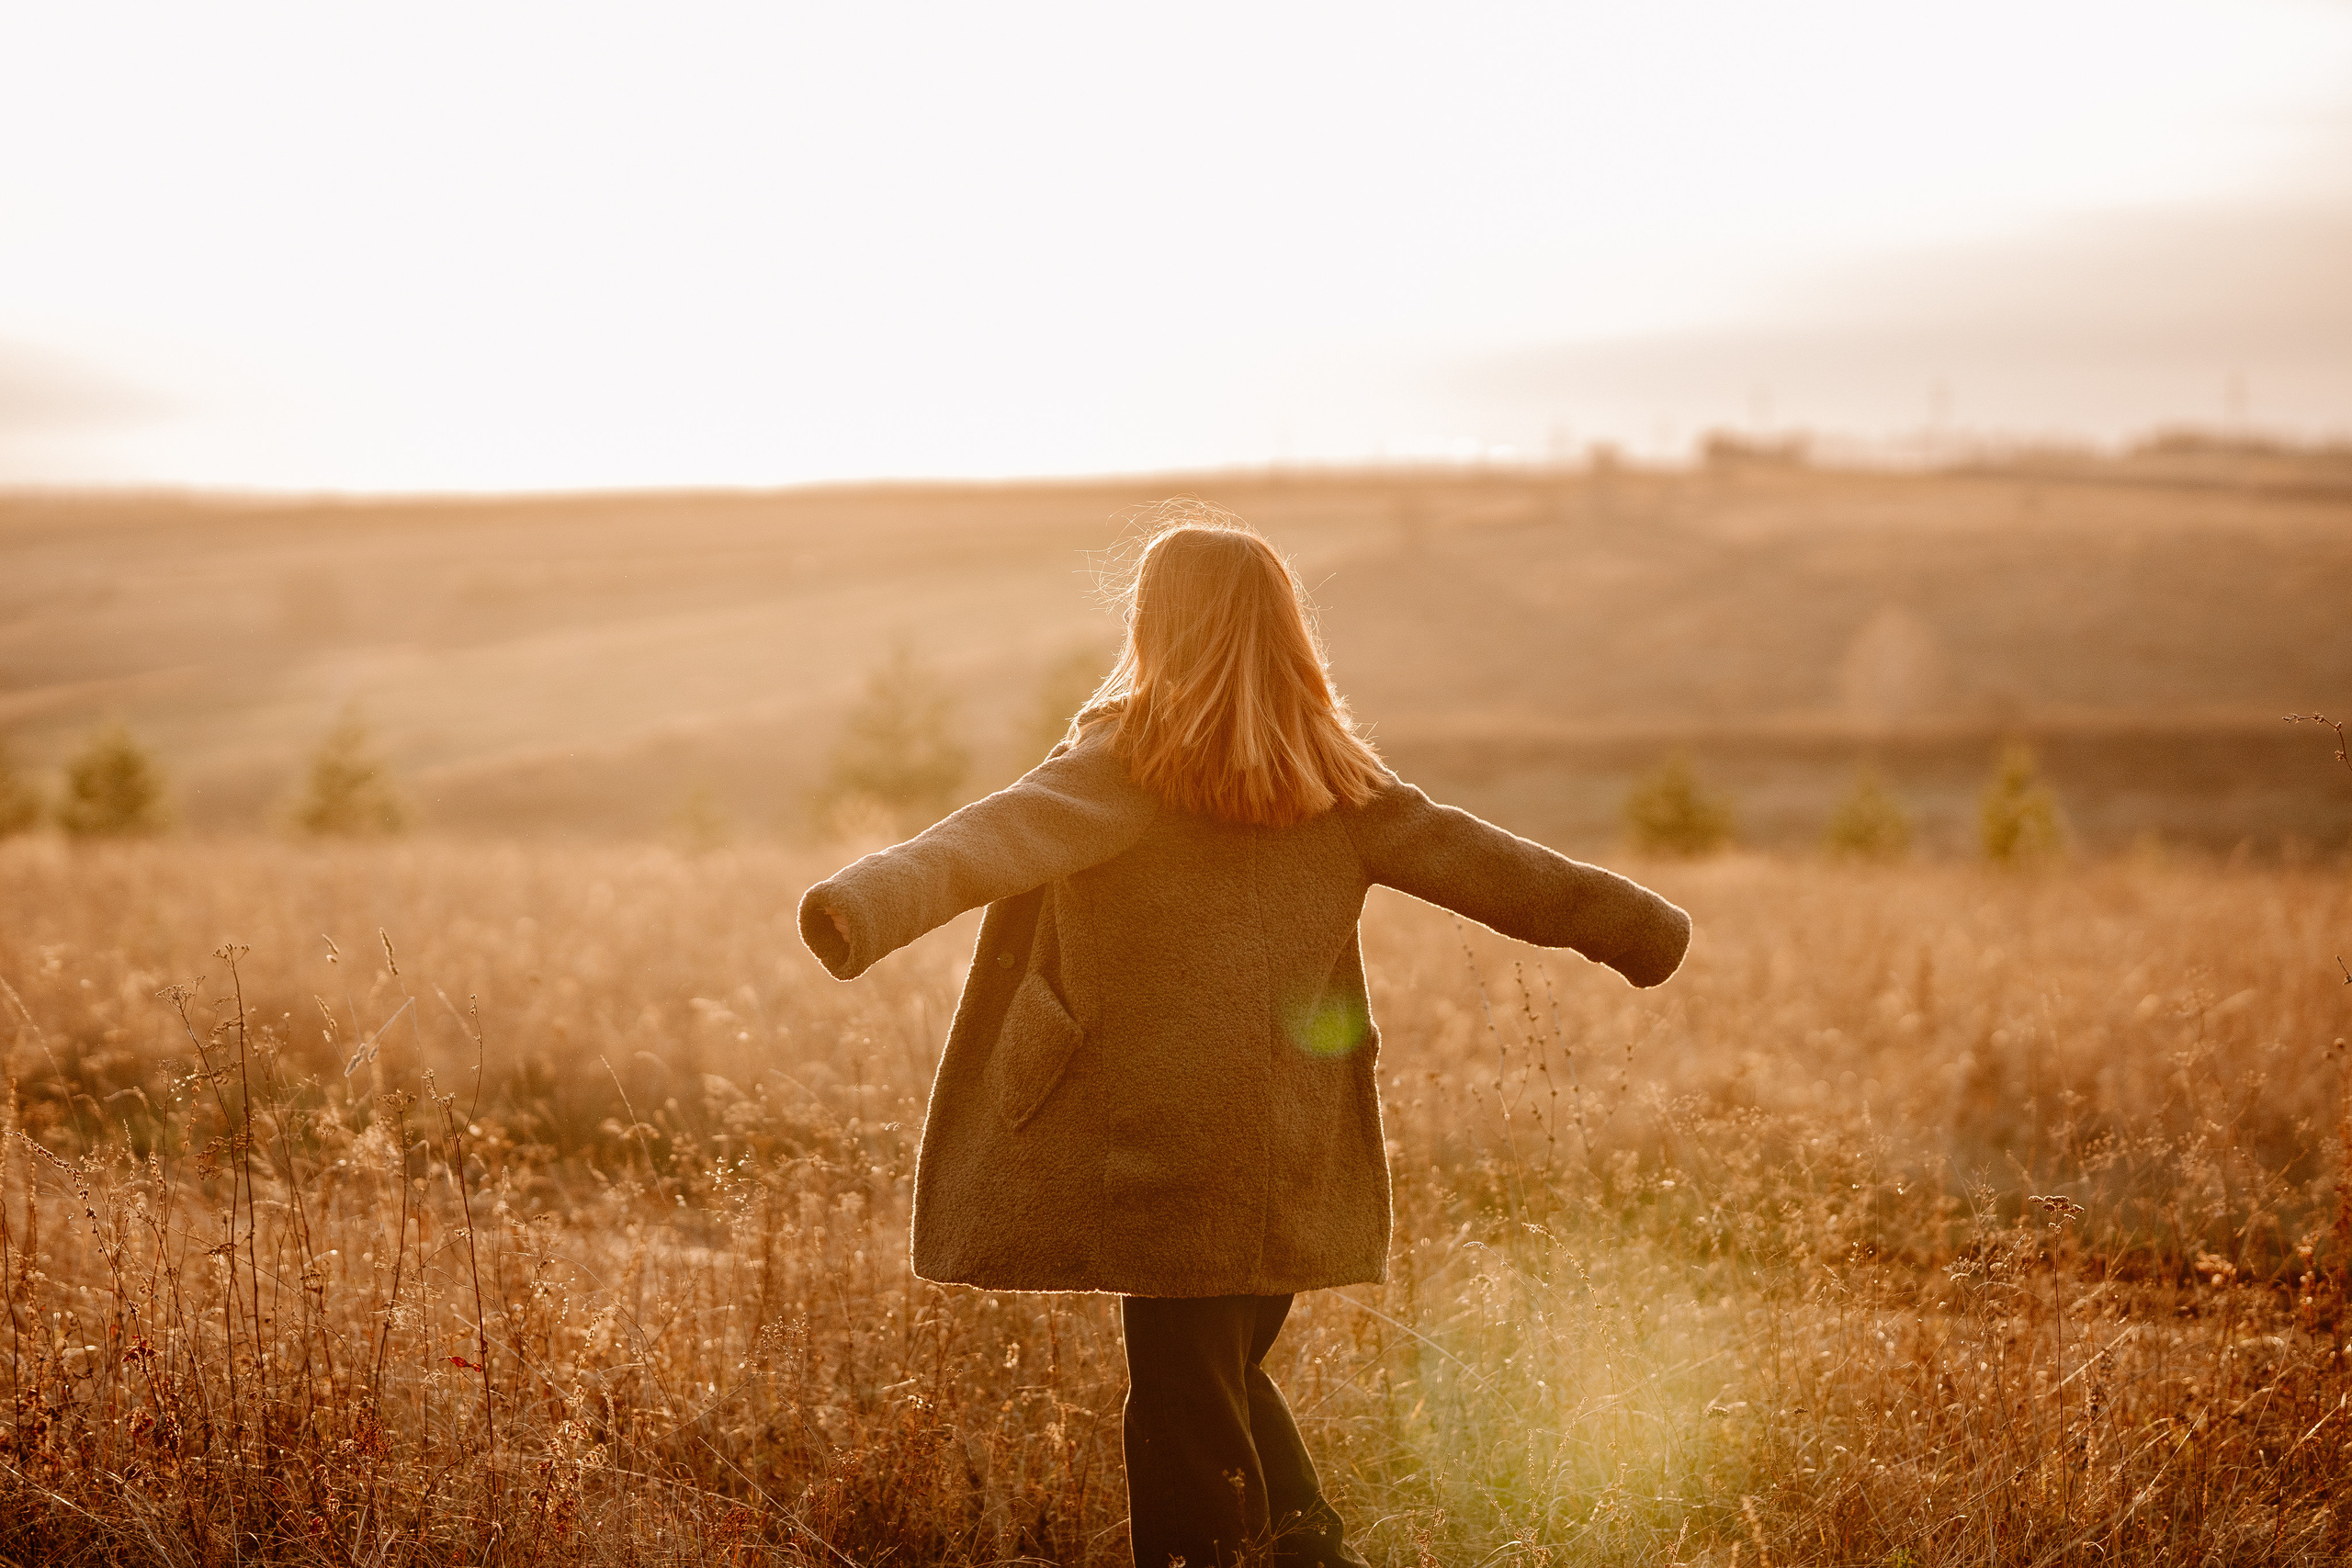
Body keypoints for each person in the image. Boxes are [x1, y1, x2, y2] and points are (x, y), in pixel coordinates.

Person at [798, 512, 1690, 1568]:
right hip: (1288, 1147)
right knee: (1219, 1378)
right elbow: (1496, 867)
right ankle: (1314, 1556)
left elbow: (980, 839)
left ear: (1157, 627)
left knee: (1185, 1403)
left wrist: (855, 905)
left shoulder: (1125, 767)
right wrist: (1637, 928)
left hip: (1159, 1150)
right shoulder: (1340, 786)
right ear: (1282, 631)